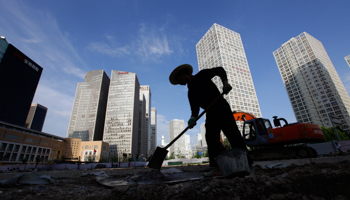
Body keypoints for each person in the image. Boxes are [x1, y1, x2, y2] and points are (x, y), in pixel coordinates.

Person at [169, 64, 251, 177]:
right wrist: (192, 118)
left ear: (183, 75)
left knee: (233, 135)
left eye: (179, 80)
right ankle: (216, 167)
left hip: (221, 107)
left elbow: (220, 70)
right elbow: (195, 109)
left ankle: (247, 163)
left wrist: (225, 83)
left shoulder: (202, 75)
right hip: (211, 114)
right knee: (211, 139)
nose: (179, 83)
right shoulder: (191, 92)